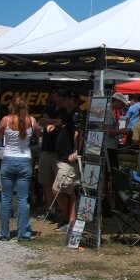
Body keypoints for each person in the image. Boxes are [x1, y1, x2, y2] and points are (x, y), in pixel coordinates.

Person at [0, 96, 39, 241]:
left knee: (6, 198)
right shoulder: (31, 121)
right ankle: (24, 234)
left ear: (11, 106)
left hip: (8, 159)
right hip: (24, 159)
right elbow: (37, 136)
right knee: (22, 198)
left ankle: (4, 233)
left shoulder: (6, 120)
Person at [53, 90, 84, 232]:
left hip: (69, 159)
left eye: (64, 98)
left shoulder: (77, 113)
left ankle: (68, 219)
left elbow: (79, 132)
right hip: (62, 157)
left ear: (71, 99)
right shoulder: (68, 113)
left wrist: (76, 151)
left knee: (58, 189)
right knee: (69, 191)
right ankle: (70, 221)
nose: (61, 101)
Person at [37, 90, 63, 222]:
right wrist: (55, 122)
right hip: (46, 148)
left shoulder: (64, 110)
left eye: (56, 94)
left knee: (60, 182)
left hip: (59, 150)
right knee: (46, 180)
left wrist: (52, 122)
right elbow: (41, 121)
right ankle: (50, 209)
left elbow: (62, 121)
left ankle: (61, 209)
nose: (53, 96)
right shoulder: (49, 108)